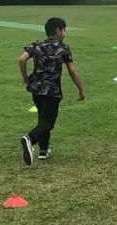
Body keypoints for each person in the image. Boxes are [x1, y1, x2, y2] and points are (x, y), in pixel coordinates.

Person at [18, 17, 85, 165]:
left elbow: (22, 60)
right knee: (48, 121)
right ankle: (30, 139)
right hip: (52, 90)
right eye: (64, 30)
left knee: (43, 118)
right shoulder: (63, 48)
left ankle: (43, 150)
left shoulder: (36, 44)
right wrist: (81, 90)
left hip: (35, 89)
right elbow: (73, 72)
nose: (65, 33)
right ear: (58, 31)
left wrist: (25, 78)